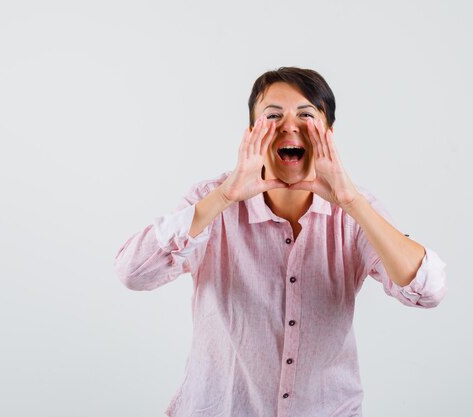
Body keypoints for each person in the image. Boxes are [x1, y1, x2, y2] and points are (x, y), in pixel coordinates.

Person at [113, 67, 448, 417]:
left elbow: (428, 290)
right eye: (273, 116)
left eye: (306, 114)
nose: (290, 125)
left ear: (328, 134)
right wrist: (225, 197)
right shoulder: (210, 201)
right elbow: (132, 273)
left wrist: (352, 203)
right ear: (252, 134)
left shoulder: (355, 210)